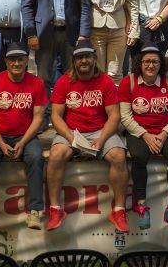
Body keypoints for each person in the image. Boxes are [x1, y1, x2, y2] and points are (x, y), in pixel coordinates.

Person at [46, 40, 129, 232]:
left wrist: (101, 140)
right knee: (56, 155)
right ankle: (55, 209)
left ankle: (118, 210)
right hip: (72, 131)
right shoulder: (64, 81)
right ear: (74, 61)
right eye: (79, 57)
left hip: (101, 130)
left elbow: (114, 116)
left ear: (94, 58)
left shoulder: (105, 81)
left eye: (87, 57)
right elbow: (56, 116)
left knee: (118, 155)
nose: (84, 61)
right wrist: (69, 137)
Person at [0, 43, 47, 232]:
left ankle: (34, 211)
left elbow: (39, 118)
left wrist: (23, 141)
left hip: (25, 135)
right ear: (6, 61)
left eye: (20, 59)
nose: (16, 63)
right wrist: (1, 143)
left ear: (27, 61)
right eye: (12, 60)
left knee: (35, 158)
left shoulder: (37, 83)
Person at [119, 41, 168, 228]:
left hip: (165, 131)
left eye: (155, 62)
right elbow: (125, 116)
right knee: (139, 156)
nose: (150, 65)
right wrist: (145, 135)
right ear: (139, 63)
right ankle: (141, 206)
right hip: (138, 131)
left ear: (161, 64)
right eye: (146, 61)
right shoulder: (128, 82)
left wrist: (164, 134)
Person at [22, 0, 91, 105]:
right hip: (44, 32)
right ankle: (45, 116)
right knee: (44, 77)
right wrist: (31, 34)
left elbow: (85, 6)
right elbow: (26, 6)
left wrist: (83, 34)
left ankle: (68, 113)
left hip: (71, 34)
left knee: (71, 76)